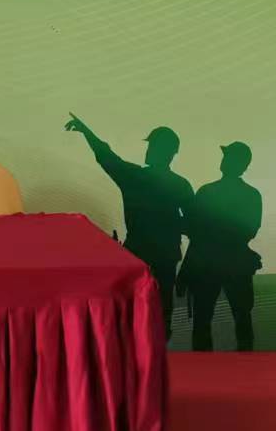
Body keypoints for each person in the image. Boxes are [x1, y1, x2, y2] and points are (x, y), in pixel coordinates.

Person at [65, 114, 193, 337]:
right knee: (162, 310)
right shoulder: (180, 185)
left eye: (152, 145)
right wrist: (171, 225)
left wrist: (87, 132)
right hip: (165, 253)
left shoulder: (134, 177)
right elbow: (193, 223)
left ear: (160, 150)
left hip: (138, 250)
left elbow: (107, 157)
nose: (148, 149)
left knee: (130, 308)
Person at [178, 142, 262, 351]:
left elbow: (195, 233)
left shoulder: (207, 192)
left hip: (209, 265)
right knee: (241, 320)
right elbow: (249, 230)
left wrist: (186, 271)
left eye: (227, 157)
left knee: (203, 321)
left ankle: (206, 366)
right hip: (236, 263)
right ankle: (246, 365)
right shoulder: (251, 195)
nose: (224, 161)